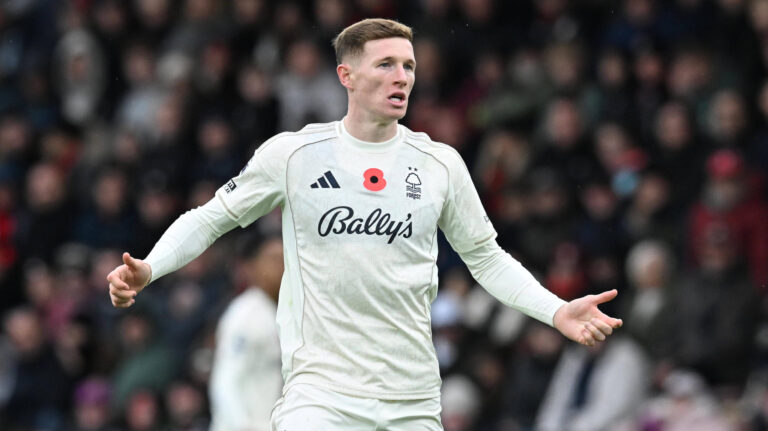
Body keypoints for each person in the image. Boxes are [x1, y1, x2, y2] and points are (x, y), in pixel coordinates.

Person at [107, 18, 623, 429]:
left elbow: (486, 258)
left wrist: (555, 310)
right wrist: (150, 267)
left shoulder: (439, 164)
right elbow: (212, 218)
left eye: (409, 66)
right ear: (346, 76)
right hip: (321, 398)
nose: (402, 77)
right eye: (386, 65)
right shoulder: (295, 154)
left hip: (412, 399)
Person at [209, 234, 283, 431]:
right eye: (274, 259)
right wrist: (242, 425)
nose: (282, 267)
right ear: (254, 267)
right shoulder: (245, 314)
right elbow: (225, 379)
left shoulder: (283, 313)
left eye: (285, 259)